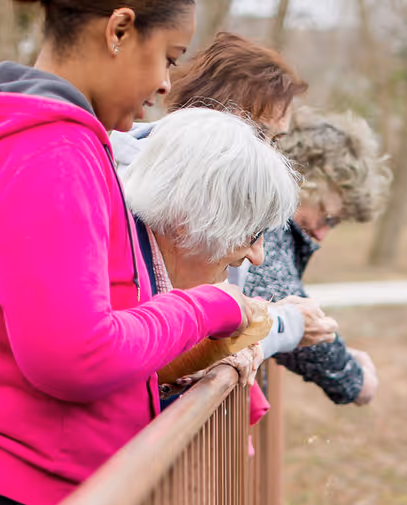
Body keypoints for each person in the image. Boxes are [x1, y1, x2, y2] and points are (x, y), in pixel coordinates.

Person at [0, 0, 264, 505]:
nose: (165, 84)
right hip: (0, 496)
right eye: (168, 58)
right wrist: (210, 306)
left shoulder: (54, 142)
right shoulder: (50, 150)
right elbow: (75, 354)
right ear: (120, 30)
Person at [111, 30, 335, 361]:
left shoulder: (235, 199)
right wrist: (282, 326)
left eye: (276, 140)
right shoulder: (130, 191)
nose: (266, 152)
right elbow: (149, 344)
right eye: (258, 134)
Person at [121, 106, 301, 413]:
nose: (257, 257)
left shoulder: (141, 259)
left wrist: (203, 355)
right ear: (187, 223)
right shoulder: (119, 276)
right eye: (251, 233)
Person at [244, 109, 392, 408]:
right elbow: (283, 299)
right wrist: (353, 378)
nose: (322, 234)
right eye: (326, 216)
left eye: (334, 224)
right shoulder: (269, 221)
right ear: (306, 180)